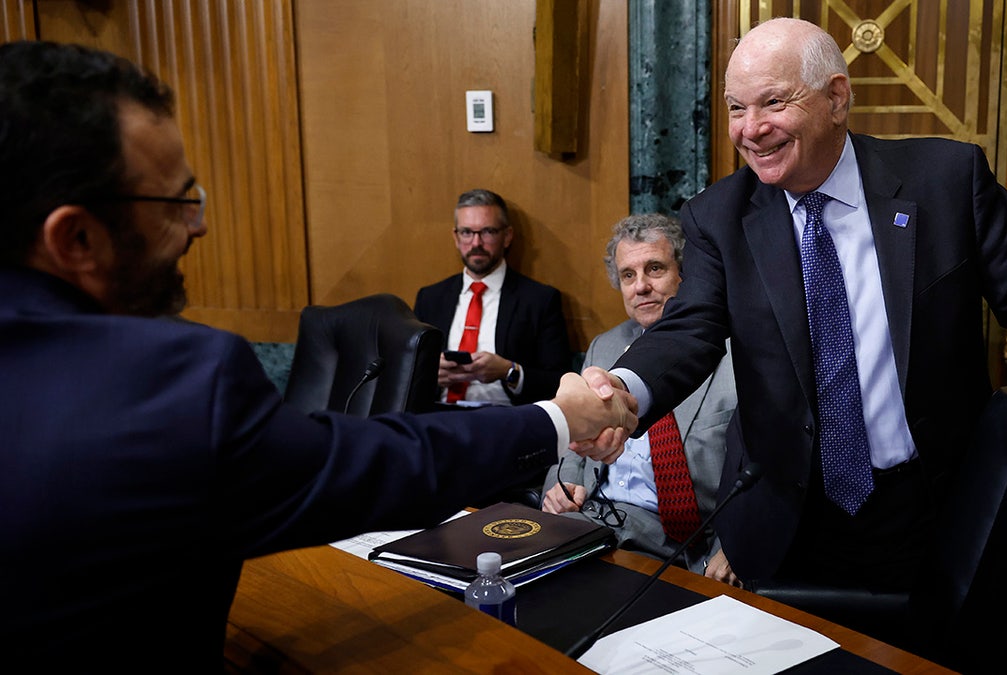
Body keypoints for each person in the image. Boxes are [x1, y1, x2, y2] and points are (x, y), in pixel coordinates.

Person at [0, 41, 635, 668]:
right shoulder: (162, 382)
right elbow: (369, 465)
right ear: (76, 238)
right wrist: (558, 418)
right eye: (177, 203)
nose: (198, 228)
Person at [575, 18, 1007, 592]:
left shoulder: (944, 180)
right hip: (784, 513)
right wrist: (624, 390)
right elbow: (690, 328)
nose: (751, 130)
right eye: (735, 109)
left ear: (837, 98)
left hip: (932, 503)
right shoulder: (716, 216)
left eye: (773, 102)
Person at [541, 214, 739, 581]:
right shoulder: (605, 347)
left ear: (687, 274)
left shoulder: (736, 356)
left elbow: (766, 466)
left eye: (655, 269)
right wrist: (563, 484)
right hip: (593, 522)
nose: (640, 287)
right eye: (628, 275)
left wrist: (735, 545)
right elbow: (573, 441)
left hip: (686, 545)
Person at [414, 189, 573, 406]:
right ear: (456, 236)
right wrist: (430, 374)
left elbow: (560, 381)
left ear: (507, 236)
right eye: (467, 232)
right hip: (438, 416)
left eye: (487, 232)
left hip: (507, 420)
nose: (476, 243)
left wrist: (509, 371)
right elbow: (406, 373)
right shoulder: (430, 298)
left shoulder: (539, 300)